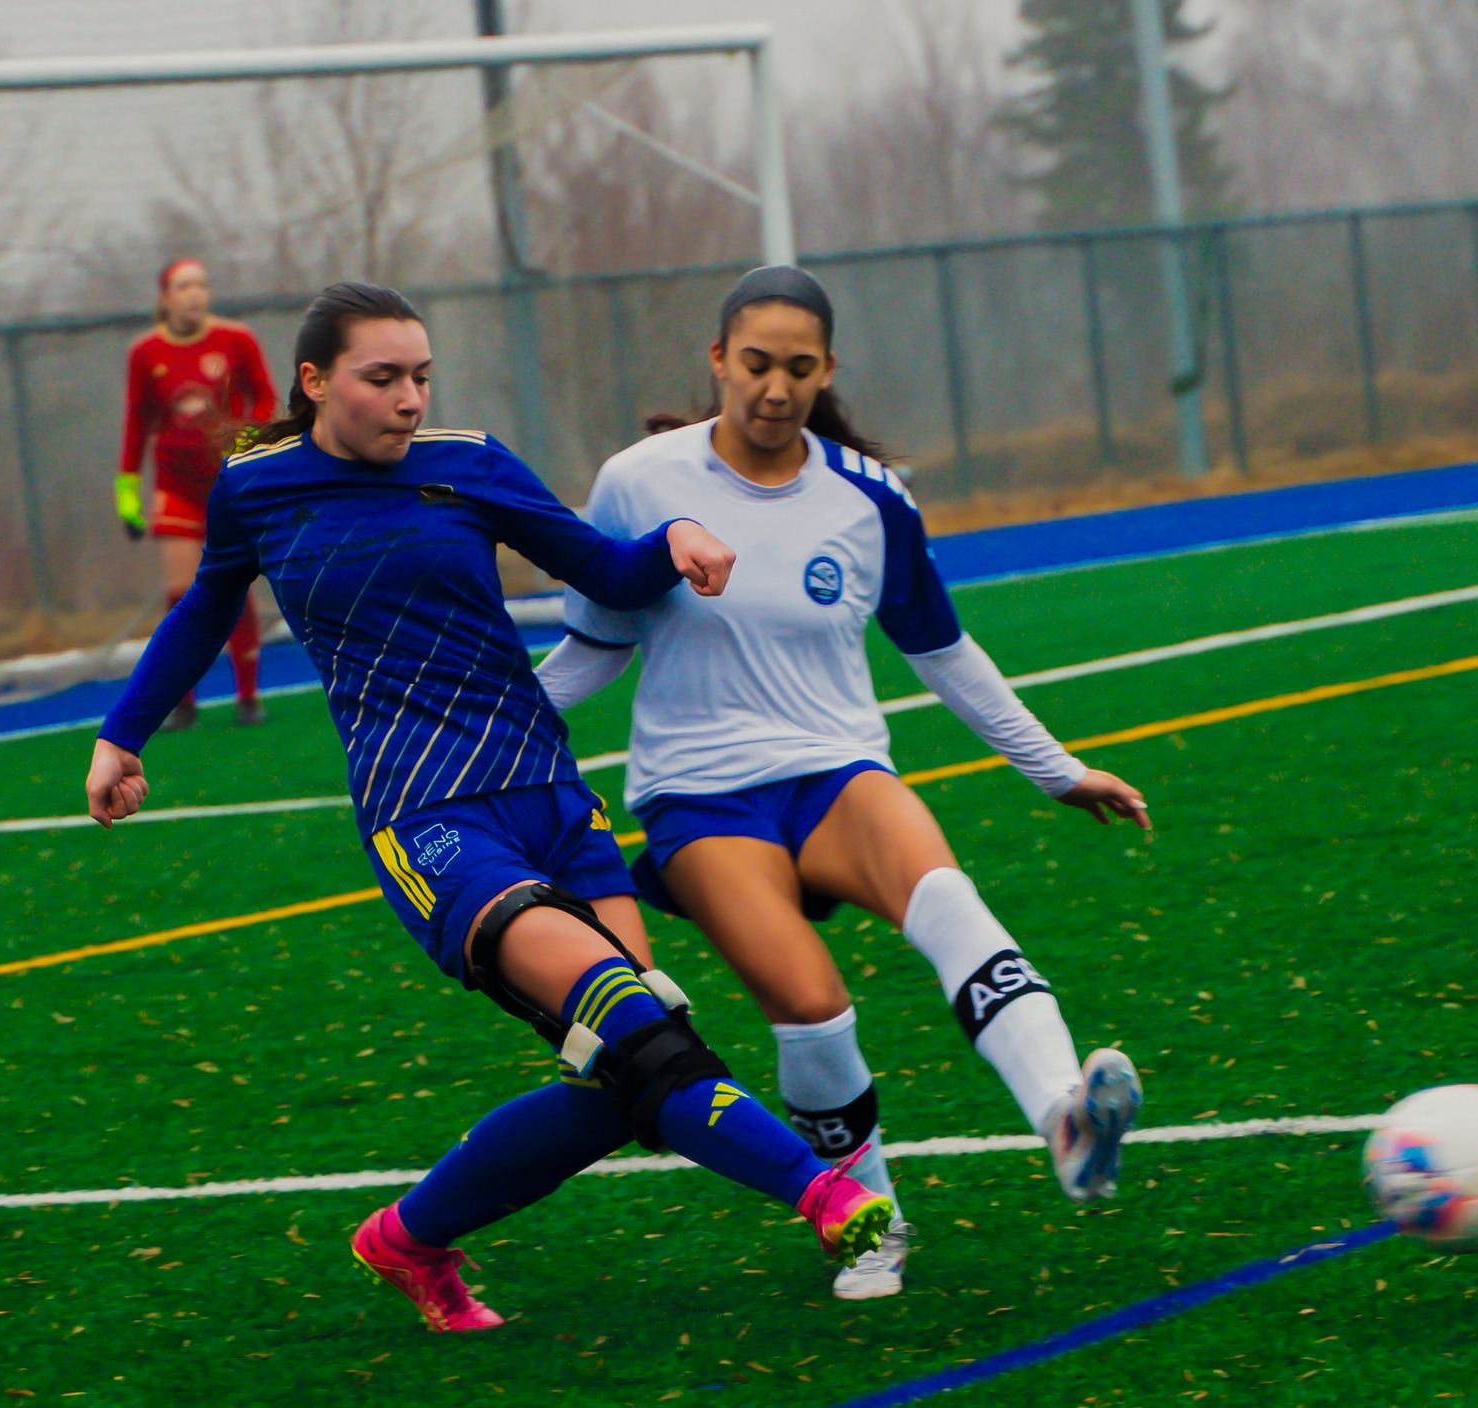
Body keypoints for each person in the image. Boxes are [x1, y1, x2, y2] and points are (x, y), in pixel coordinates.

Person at [85, 281, 893, 1333]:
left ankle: (407, 1239)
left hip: (550, 799)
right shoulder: (258, 486)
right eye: (382, 378)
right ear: (316, 381)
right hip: (426, 814)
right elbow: (206, 605)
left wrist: (674, 542)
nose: (409, 398)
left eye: (421, 375)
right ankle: (825, 1192)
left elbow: (597, 566)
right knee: (636, 1027)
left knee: (624, 1087)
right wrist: (122, 733)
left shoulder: (468, 463)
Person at [536, 265, 1151, 1301]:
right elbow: (597, 644)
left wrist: (1055, 771)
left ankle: (1063, 1116)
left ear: (827, 371)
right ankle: (871, 1223)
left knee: (947, 899)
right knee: (812, 1008)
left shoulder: (869, 496)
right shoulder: (637, 480)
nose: (775, 388)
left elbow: (942, 650)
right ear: (717, 361)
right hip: (699, 797)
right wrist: (482, 728)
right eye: (756, 364)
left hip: (835, 771)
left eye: (799, 368)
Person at [116, 257, 278, 728]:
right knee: (180, 590)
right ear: (165, 297)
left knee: (233, 582)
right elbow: (136, 422)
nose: (195, 294)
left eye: (201, 285)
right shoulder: (145, 352)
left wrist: (247, 441)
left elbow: (264, 396)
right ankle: (181, 700)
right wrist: (126, 491)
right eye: (184, 286)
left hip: (227, 485)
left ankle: (248, 695)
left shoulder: (236, 339)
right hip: (175, 486)